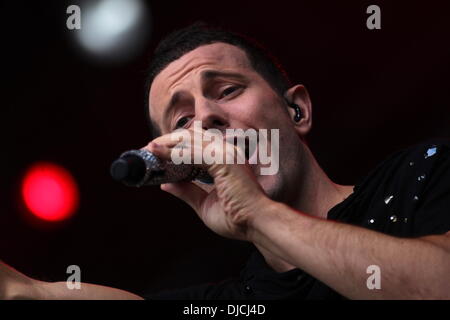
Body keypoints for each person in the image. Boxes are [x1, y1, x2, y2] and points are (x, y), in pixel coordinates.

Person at [1, 23, 449, 300]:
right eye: (182, 118)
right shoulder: (238, 300)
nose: (207, 118)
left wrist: (257, 214)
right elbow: (32, 295)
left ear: (298, 111)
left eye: (227, 90)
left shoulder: (423, 173)